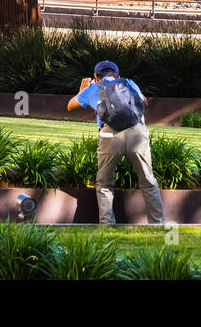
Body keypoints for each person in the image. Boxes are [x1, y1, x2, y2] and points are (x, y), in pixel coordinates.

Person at [67, 60, 165, 226]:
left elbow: (70, 106)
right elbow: (144, 101)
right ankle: (158, 224)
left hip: (109, 135)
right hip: (137, 133)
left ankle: (107, 226)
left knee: (105, 183)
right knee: (148, 181)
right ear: (118, 75)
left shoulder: (93, 88)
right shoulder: (129, 83)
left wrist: (82, 90)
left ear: (96, 77)